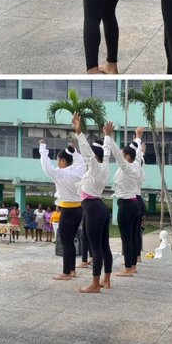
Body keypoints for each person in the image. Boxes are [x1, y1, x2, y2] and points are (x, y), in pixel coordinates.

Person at [72, 114, 112, 294]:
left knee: (96, 247)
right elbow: (107, 151)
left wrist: (79, 133)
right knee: (103, 246)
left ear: (95, 158)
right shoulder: (104, 167)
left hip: (93, 208)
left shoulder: (95, 167)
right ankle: (106, 280)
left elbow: (88, 154)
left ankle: (95, 284)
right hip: (98, 208)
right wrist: (108, 136)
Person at [39, 138, 85, 280]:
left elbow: (46, 167)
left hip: (67, 210)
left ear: (63, 162)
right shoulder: (79, 170)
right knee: (71, 240)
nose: (57, 163)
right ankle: (72, 270)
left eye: (59, 160)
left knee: (66, 242)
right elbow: (80, 161)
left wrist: (43, 148)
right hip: (78, 209)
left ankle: (66, 272)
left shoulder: (61, 174)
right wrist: (74, 151)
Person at [102, 126, 145, 277]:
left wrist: (108, 136)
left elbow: (116, 153)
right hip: (134, 204)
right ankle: (132, 266)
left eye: (123, 153)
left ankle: (128, 268)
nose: (121, 154)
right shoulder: (137, 165)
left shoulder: (127, 167)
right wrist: (138, 138)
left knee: (127, 238)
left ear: (127, 156)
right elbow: (139, 154)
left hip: (127, 205)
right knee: (132, 236)